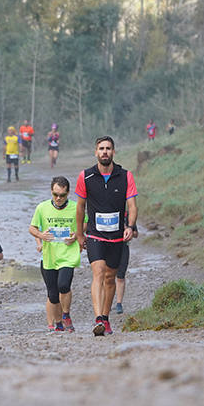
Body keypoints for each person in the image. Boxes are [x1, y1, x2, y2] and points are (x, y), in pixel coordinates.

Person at [75, 136, 138, 336]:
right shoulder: (85, 176)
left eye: (108, 148)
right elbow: (79, 207)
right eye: (101, 148)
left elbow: (133, 206)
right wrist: (79, 234)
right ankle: (98, 319)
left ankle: (106, 318)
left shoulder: (126, 176)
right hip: (95, 235)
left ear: (113, 152)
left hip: (117, 236)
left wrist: (130, 226)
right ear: (96, 152)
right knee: (99, 272)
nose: (104, 152)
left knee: (110, 278)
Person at [30, 176, 81, 332]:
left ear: (68, 193)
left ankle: (66, 314)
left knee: (64, 285)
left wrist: (77, 234)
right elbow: (32, 228)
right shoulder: (42, 207)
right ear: (51, 192)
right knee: (52, 295)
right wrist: (41, 236)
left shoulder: (76, 207)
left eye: (62, 195)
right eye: (55, 195)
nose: (58, 198)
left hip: (68, 254)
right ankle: (59, 324)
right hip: (49, 257)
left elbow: (85, 223)